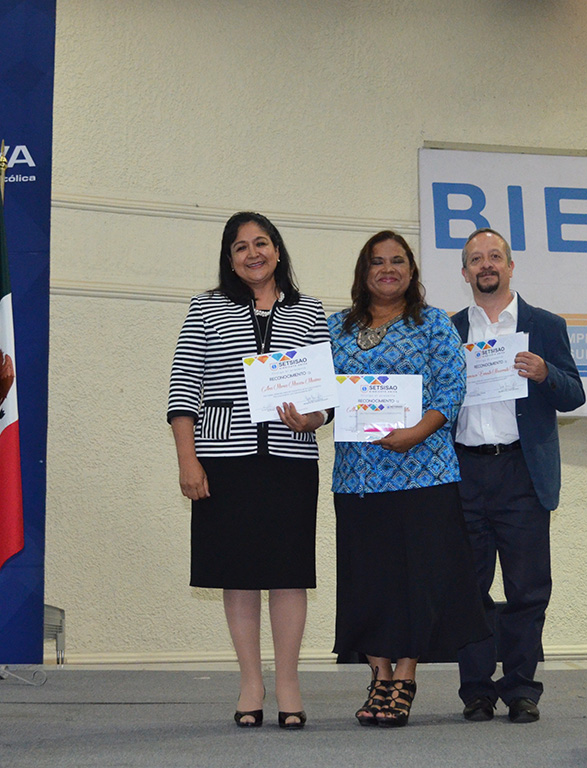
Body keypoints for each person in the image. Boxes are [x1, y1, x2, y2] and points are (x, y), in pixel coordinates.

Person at [167, 212, 331, 730]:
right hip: (224, 462)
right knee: (236, 575)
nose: (252, 253)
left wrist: (315, 416)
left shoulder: (310, 311)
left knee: (287, 574)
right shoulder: (206, 309)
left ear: (278, 251)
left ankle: (287, 684)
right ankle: (249, 684)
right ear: (230, 258)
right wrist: (187, 460)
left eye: (261, 243)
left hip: (291, 460)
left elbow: (326, 394)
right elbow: (182, 389)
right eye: (241, 247)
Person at [329, 230, 488, 728]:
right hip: (357, 477)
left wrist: (415, 433)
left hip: (423, 474)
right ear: (364, 272)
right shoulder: (336, 327)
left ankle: (406, 675)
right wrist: (306, 416)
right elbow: (324, 396)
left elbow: (451, 388)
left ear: (411, 271)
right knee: (370, 580)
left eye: (398, 261)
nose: (388, 269)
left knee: (417, 582)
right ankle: (378, 674)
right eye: (377, 261)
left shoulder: (433, 323)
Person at [451, 227, 585, 724]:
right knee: (471, 589)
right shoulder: (447, 329)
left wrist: (545, 373)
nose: (485, 265)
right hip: (463, 469)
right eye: (475, 259)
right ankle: (477, 692)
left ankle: (522, 688)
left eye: (494, 257)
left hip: (522, 471)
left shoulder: (545, 325)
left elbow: (574, 395)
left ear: (510, 266)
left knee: (528, 589)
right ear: (464, 272)